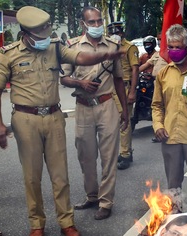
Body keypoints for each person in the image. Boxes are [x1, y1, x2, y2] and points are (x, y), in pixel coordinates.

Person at [0, 6, 122, 236]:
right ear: (26, 33)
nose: (45, 37)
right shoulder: (8, 54)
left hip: (53, 116)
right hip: (25, 119)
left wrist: (104, 55)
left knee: (60, 175)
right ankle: (37, 224)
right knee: (32, 176)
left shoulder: (54, 47)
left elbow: (80, 57)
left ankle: (66, 221)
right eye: (40, 33)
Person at [60, 6, 129, 221]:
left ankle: (106, 201)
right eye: (92, 22)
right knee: (86, 156)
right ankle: (92, 196)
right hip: (82, 106)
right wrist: (80, 83)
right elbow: (63, 78)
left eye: (100, 21)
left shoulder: (113, 45)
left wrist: (124, 110)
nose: (97, 25)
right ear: (83, 24)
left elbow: (118, 80)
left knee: (109, 157)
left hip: (107, 105)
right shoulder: (72, 47)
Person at [152, 25, 187, 216]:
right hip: (170, 136)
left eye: (177, 47)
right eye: (170, 47)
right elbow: (157, 105)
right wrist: (158, 125)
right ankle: (175, 219)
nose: (173, 51)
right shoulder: (163, 74)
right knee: (173, 183)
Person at [107, 21, 139, 170]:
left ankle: (125, 154)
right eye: (112, 33)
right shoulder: (107, 48)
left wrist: (132, 91)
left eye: (118, 32)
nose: (115, 35)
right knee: (113, 122)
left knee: (124, 120)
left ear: (122, 33)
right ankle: (124, 151)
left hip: (125, 87)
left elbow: (135, 70)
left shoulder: (130, 47)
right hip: (110, 88)